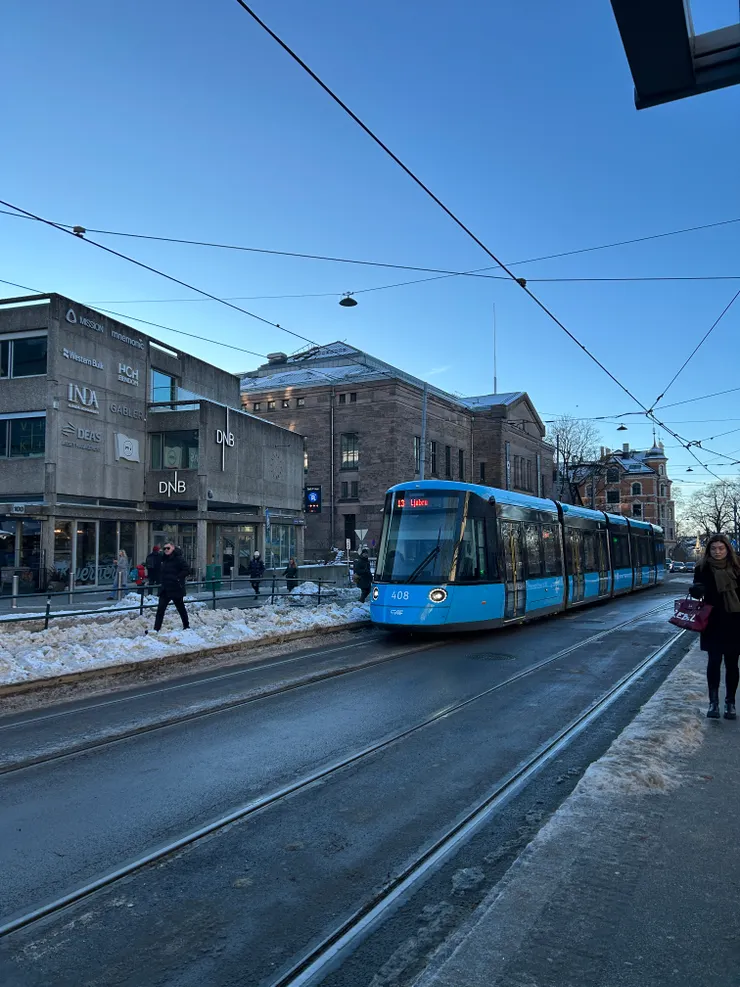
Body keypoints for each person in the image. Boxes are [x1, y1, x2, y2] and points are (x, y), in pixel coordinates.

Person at [689, 533, 740, 719]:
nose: (717, 552)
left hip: (735, 621)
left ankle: (730, 703)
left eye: (721, 548)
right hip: (712, 621)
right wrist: (695, 590)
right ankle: (714, 703)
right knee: (714, 661)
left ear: (727, 549)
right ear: (709, 550)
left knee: (733, 664)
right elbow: (697, 592)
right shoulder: (702, 568)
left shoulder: (737, 567)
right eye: (713, 548)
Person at [152, 542, 190, 632]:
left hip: (175, 588)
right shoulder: (164, 559)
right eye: (164, 548)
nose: (166, 550)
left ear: (173, 548)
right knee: (160, 609)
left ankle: (186, 626)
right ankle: (156, 629)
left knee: (181, 608)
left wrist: (177, 578)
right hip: (165, 589)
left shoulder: (179, 559)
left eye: (168, 548)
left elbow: (187, 570)